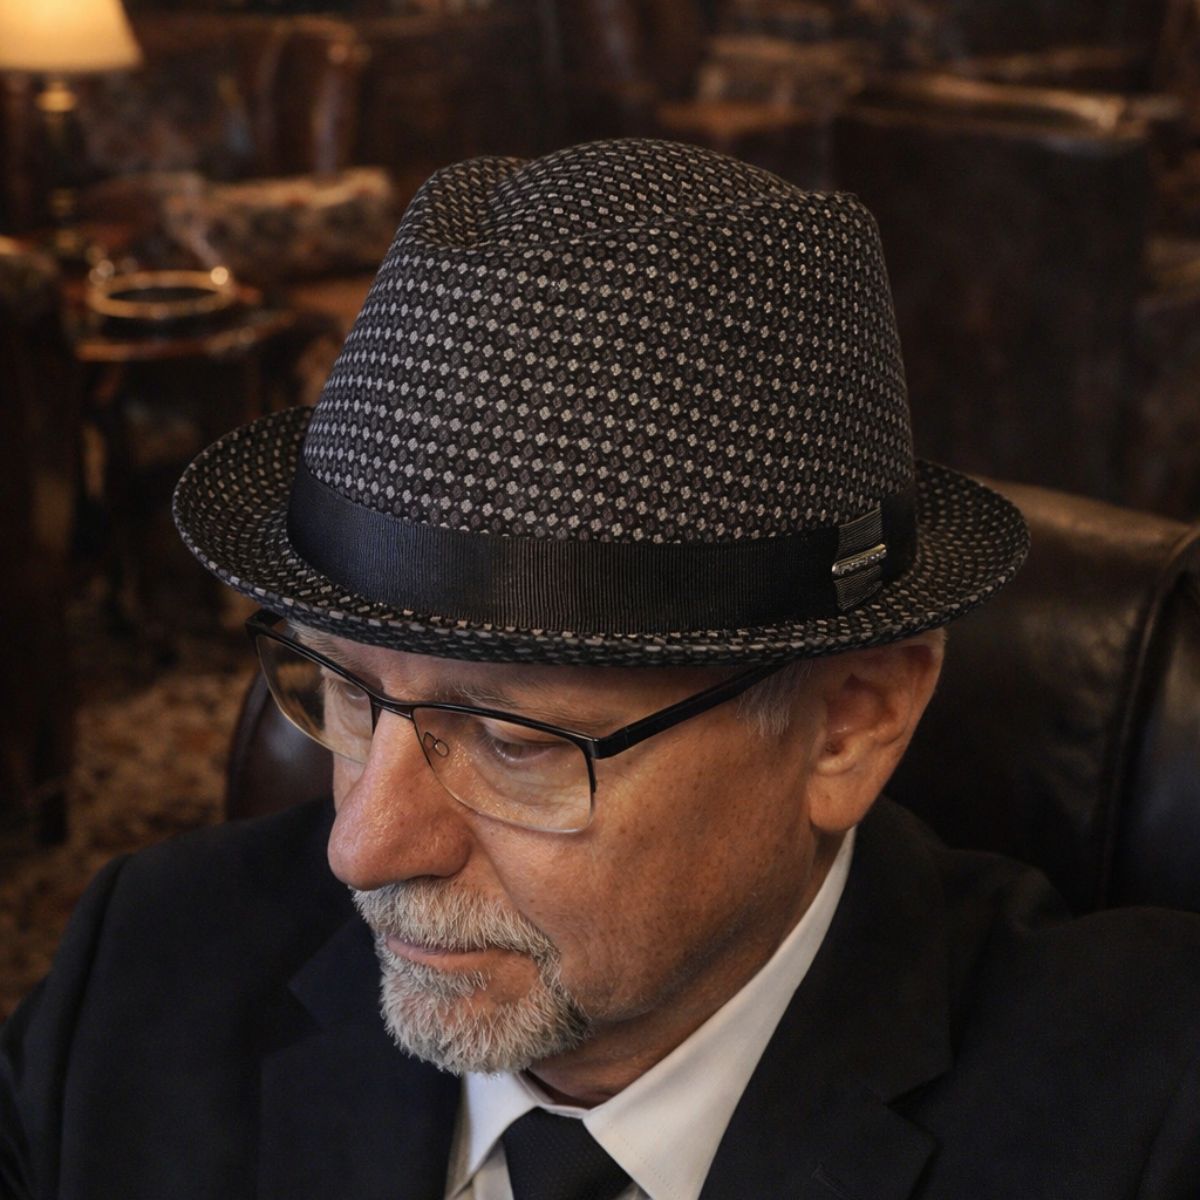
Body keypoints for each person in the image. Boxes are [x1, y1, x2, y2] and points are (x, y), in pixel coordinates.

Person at [3, 138, 1199, 1200]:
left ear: (850, 723)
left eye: (515, 738)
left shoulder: (1146, 1110)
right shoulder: (143, 974)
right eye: (347, 693)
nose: (361, 847)